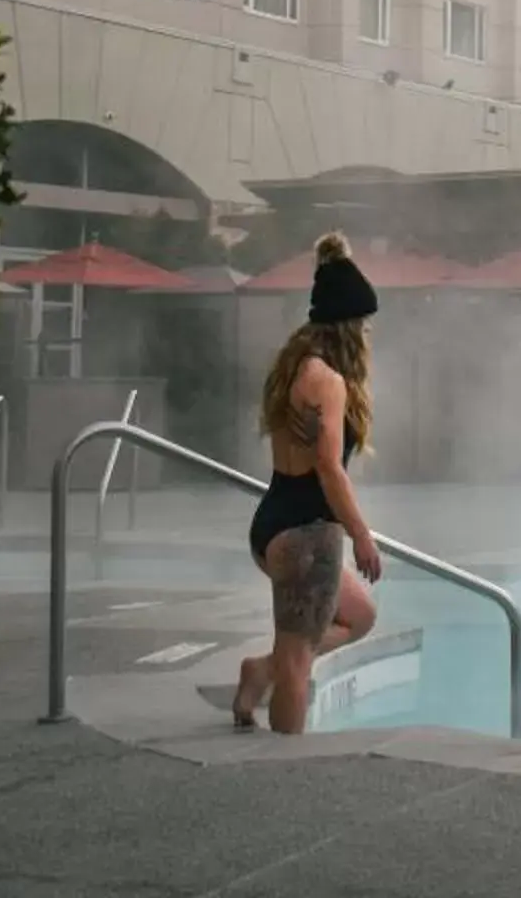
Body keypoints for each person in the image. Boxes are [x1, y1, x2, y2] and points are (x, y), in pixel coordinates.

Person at [231, 232, 384, 732]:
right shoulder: (329, 382)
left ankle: (261, 671)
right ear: (346, 326)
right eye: (361, 324)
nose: (365, 334)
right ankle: (283, 772)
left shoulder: (294, 365)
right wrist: (361, 535)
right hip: (303, 535)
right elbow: (328, 467)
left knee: (358, 615)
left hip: (276, 519)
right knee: (299, 663)